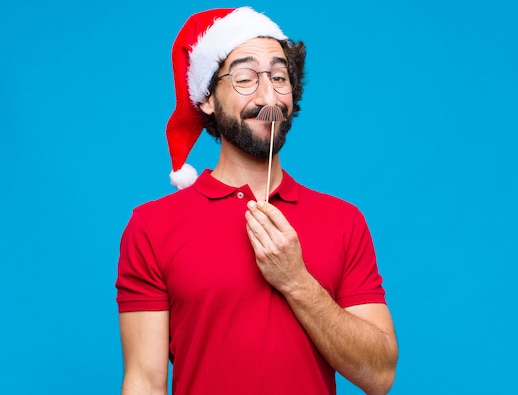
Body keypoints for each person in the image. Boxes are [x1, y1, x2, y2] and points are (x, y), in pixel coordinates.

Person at [115, 6, 399, 395]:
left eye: (279, 77)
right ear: (207, 99)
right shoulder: (152, 226)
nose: (268, 95)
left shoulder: (344, 221)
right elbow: (144, 382)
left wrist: (297, 282)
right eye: (245, 78)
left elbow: (379, 375)